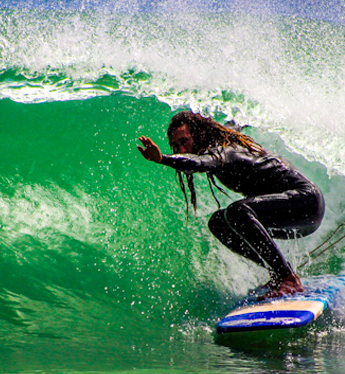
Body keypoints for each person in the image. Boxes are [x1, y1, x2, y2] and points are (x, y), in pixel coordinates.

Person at [137, 110, 324, 297]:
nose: (182, 149)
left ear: (199, 134)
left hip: (306, 203)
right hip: (290, 214)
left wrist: (163, 159)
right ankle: (279, 273)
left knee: (237, 211)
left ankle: (288, 279)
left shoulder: (223, 152)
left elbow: (199, 163)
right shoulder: (224, 137)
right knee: (218, 222)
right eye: (177, 145)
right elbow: (238, 119)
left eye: (184, 141)